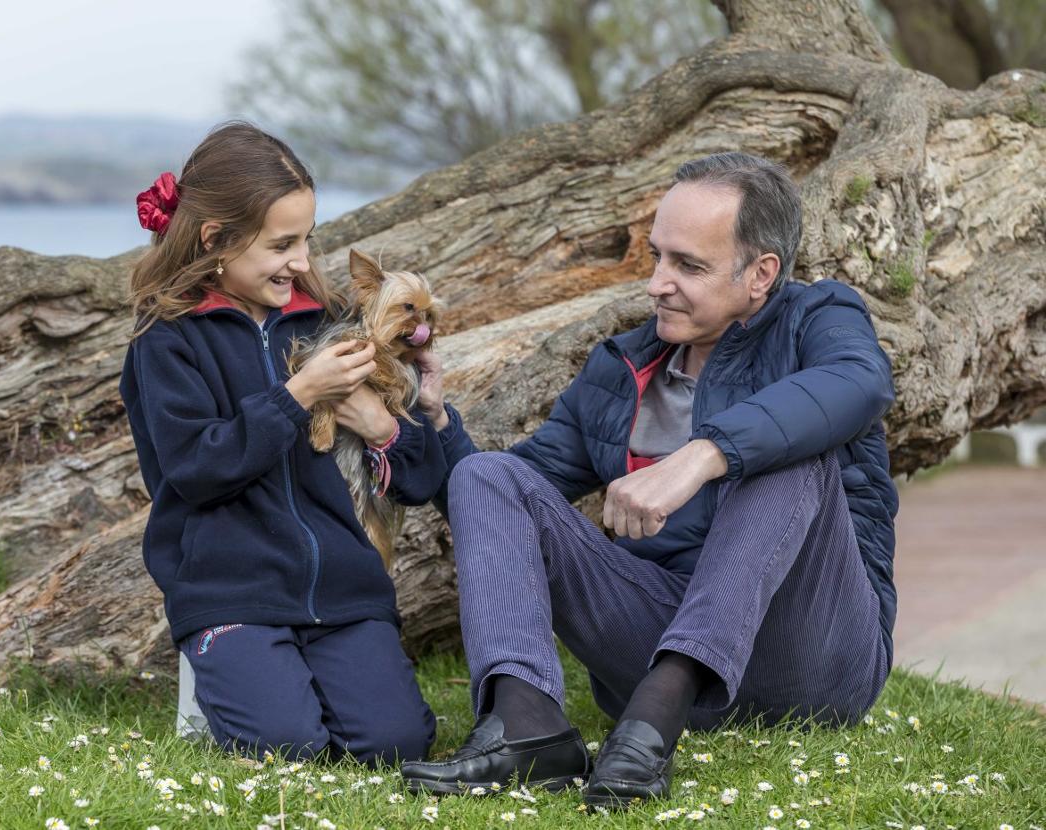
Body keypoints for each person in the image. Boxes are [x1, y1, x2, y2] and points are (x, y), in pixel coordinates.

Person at [401, 152, 898, 805]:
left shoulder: (820, 317)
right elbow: (496, 507)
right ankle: (527, 729)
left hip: (814, 650)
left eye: (688, 265)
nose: (657, 283)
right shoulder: (621, 368)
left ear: (760, 274)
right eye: (657, 256)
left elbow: (861, 383)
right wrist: (434, 420)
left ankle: (656, 720)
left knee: (788, 449)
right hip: (653, 633)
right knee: (489, 477)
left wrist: (701, 456)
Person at [118, 122, 448, 765]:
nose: (301, 261)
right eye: (282, 244)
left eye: (307, 239)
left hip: (344, 587)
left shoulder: (326, 323)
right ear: (215, 239)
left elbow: (419, 482)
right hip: (230, 586)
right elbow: (195, 469)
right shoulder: (168, 338)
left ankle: (315, 680)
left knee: (394, 745)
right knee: (288, 747)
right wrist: (297, 396)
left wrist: (384, 427)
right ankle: (242, 682)